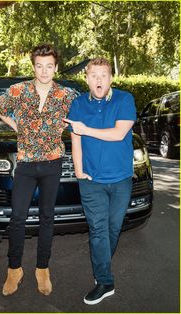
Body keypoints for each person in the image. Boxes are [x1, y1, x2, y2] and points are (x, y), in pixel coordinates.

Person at [0, 44, 75, 296]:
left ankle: (42, 268)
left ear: (56, 67)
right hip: (26, 164)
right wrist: (16, 125)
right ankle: (14, 269)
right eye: (39, 66)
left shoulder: (67, 95)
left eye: (49, 66)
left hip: (52, 163)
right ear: (33, 66)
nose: (44, 71)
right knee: (17, 217)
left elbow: (84, 116)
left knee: (47, 217)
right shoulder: (18, 91)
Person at [64, 57, 136, 305]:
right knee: (97, 229)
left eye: (103, 75)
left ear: (111, 78)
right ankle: (105, 280)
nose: (98, 80)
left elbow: (119, 134)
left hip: (121, 179)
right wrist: (79, 171)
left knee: (112, 229)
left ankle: (102, 261)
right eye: (93, 75)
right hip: (91, 180)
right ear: (87, 79)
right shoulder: (78, 105)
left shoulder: (125, 99)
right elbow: (75, 141)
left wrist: (85, 129)